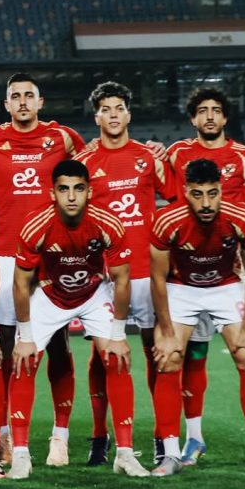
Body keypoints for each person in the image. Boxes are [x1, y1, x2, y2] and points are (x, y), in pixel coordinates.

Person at [9, 160, 149, 479]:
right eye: (63, 189)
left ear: (89, 191)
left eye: (78, 189)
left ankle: (125, 454)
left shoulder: (107, 223)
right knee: (24, 360)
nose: (71, 197)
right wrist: (25, 336)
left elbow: (122, 279)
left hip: (93, 293)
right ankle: (20, 455)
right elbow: (20, 283)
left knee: (116, 357)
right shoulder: (36, 225)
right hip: (49, 294)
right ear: (52, 193)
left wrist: (118, 334)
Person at [0, 73, 87, 466]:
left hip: (52, 254)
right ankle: (7, 433)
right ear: (6, 104)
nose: (22, 102)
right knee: (9, 347)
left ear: (41, 102)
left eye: (29, 96)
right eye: (15, 96)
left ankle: (60, 436)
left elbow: (96, 169)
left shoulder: (64, 138)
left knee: (58, 344)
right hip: (6, 253)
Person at [166, 88, 245, 467]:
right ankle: (193, 439)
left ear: (226, 117)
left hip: (234, 269)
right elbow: (165, 198)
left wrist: (230, 246)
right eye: (202, 111)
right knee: (193, 355)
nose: (210, 116)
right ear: (193, 118)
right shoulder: (176, 154)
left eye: (216, 110)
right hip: (188, 271)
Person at [73, 82, 175, 467]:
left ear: (128, 114)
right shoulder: (85, 161)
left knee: (155, 353)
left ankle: (163, 438)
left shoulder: (148, 157)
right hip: (103, 276)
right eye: (106, 109)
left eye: (119, 108)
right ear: (96, 116)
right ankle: (100, 437)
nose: (113, 115)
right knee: (103, 357)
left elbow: (176, 199)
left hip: (146, 273)